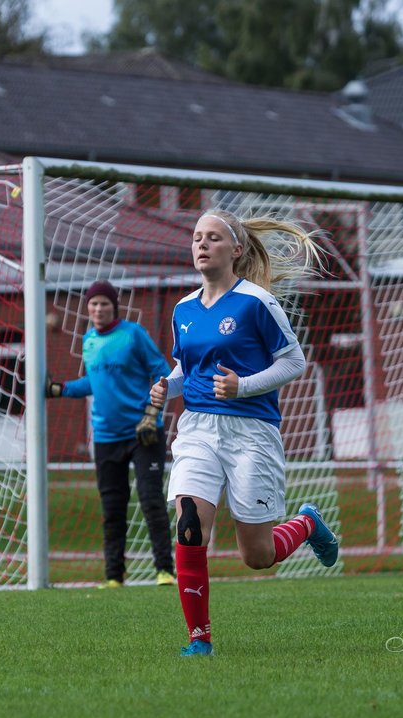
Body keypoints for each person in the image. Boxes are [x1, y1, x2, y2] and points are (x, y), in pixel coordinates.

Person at [150, 208, 340, 657]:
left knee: (256, 556)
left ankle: (308, 522)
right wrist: (166, 386)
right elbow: (186, 369)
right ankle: (200, 642)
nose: (202, 244)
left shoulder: (257, 302)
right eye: (197, 237)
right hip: (196, 428)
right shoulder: (184, 309)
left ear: (235, 249)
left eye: (213, 238)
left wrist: (243, 387)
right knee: (190, 524)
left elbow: (295, 362)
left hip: (251, 432)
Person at [46, 280, 176, 589]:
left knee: (151, 500)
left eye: (104, 303)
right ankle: (114, 576)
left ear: (113, 306)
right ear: (88, 309)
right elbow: (93, 383)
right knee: (112, 508)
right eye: (93, 304)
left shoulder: (133, 335)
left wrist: (151, 413)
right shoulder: (89, 340)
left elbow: (162, 372)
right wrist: (58, 389)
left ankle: (165, 571)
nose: (98, 308)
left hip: (144, 434)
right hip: (105, 437)